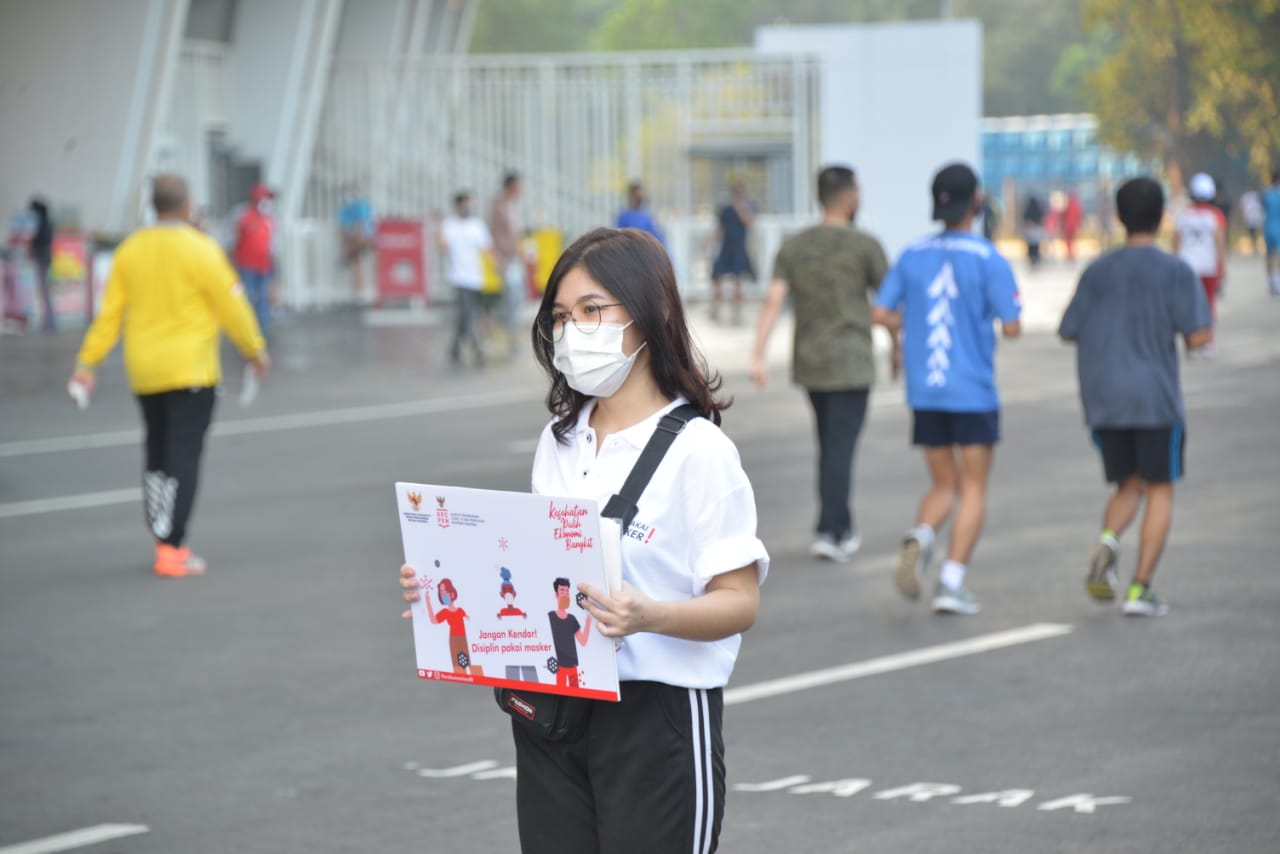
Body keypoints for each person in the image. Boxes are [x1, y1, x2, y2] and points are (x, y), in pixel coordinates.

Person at [399, 227, 768, 854]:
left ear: (649, 312)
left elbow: (739, 600)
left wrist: (650, 615)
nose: (574, 330)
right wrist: (443, 580)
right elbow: (536, 572)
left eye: (592, 310)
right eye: (562, 317)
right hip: (556, 707)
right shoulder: (561, 439)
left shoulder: (702, 452)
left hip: (659, 716)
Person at [67, 174, 269, 578]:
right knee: (184, 455)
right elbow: (232, 304)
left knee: (157, 453)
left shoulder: (130, 250)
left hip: (144, 371)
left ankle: (162, 534)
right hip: (191, 369)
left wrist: (87, 364)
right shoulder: (202, 249)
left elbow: (109, 316)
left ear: (152, 204)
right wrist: (254, 349)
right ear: (188, 204)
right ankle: (172, 546)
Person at [871, 162, 1021, 616]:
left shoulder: (911, 253)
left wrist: (912, 323)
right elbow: (1012, 326)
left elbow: (880, 312)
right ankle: (951, 581)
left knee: (943, 484)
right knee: (973, 485)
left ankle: (922, 534)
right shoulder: (988, 257)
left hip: (926, 393)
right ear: (976, 201)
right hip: (973, 391)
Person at [1059, 177, 1212, 617]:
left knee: (1128, 485)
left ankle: (1108, 541)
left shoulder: (1097, 271)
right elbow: (1199, 335)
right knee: (1160, 488)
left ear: (1119, 217)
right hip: (1154, 399)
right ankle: (1139, 589)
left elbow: (1069, 329)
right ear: (1161, 216)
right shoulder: (1175, 271)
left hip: (1104, 400)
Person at [749, 165, 888, 562]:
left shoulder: (795, 247)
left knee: (829, 444)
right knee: (839, 448)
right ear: (849, 197)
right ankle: (833, 530)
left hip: (811, 363)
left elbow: (774, 298)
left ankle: (835, 525)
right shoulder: (865, 246)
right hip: (852, 362)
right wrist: (896, 341)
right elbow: (890, 303)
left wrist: (758, 354)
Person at [1172, 173, 1226, 357]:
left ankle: (1190, 345)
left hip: (1187, 267)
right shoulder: (1215, 216)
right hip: (1208, 267)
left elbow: (1176, 244)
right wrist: (1222, 268)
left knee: (1189, 307)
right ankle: (1208, 343)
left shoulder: (1183, 216)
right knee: (1208, 305)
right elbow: (1219, 244)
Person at [439, 191, 494, 368]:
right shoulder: (449, 225)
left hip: (475, 278)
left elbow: (487, 249)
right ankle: (478, 351)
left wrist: (498, 269)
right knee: (468, 314)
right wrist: (438, 228)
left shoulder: (477, 226)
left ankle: (454, 348)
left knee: (465, 315)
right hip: (458, 278)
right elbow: (442, 245)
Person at [232, 183, 276, 339]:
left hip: (264, 265)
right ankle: (247, 331)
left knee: (263, 298)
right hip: (247, 265)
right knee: (248, 298)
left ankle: (262, 331)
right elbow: (235, 238)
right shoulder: (243, 215)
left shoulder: (268, 218)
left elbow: (272, 242)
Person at [710, 177, 757, 324]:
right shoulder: (725, 209)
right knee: (716, 276)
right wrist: (709, 244)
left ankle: (736, 313)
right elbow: (720, 228)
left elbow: (750, 224)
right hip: (726, 247)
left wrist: (740, 207)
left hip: (739, 248)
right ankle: (716, 310)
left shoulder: (749, 206)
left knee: (738, 280)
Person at [488, 171, 525, 350]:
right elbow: (492, 234)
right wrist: (498, 259)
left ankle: (492, 323)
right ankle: (511, 337)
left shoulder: (512, 206)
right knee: (510, 298)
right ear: (511, 186)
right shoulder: (498, 207)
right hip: (505, 259)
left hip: (514, 259)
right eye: (518, 185)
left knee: (517, 298)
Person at [338, 186, 376, 303]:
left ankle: (362, 293)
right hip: (356, 243)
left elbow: (363, 228)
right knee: (357, 264)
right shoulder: (345, 211)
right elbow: (342, 231)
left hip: (365, 240)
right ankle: (359, 294)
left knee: (358, 263)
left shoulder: (362, 207)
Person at [615, 180, 667, 250]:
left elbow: (659, 238)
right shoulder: (624, 216)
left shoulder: (647, 217)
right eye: (636, 196)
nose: (639, 198)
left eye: (641, 195)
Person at [29, 197, 54, 331]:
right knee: (44, 292)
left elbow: (40, 241)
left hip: (42, 260)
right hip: (45, 259)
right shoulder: (46, 223)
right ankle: (48, 322)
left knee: (44, 291)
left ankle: (49, 322)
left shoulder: (42, 224)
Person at [1263, 171, 1280, 296]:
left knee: (1269, 255)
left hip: (1268, 227)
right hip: (1278, 227)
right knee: (1278, 255)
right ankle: (1277, 281)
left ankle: (1271, 281)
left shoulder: (1266, 194)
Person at [1022, 193, 1045, 269]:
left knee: (1031, 246)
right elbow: (1041, 218)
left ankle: (1032, 260)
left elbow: (1025, 218)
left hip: (1030, 230)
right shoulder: (1038, 209)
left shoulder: (1028, 209)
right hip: (1036, 230)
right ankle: (1035, 260)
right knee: (1036, 246)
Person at [1239, 188, 1263, 256]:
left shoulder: (1256, 196)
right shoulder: (1249, 197)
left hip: (1255, 218)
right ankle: (1255, 248)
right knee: (1253, 234)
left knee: (1255, 234)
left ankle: (1256, 247)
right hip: (1251, 218)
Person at [1063, 189, 1083, 262]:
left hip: (1069, 225)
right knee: (1071, 241)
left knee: (1070, 241)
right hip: (1072, 225)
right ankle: (1071, 255)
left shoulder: (1069, 204)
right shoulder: (1074, 204)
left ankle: (1071, 255)